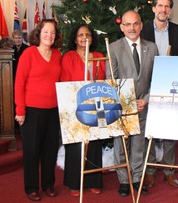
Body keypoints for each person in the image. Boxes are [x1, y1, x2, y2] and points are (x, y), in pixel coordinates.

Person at [107, 10, 158, 197]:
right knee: (121, 144)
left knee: (139, 145)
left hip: (144, 103)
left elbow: (156, 78)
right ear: (121, 27)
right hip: (122, 106)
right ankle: (123, 180)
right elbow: (110, 80)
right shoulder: (113, 48)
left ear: (141, 25)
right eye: (127, 24)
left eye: (135, 24)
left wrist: (146, 99)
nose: (132, 28)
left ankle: (137, 179)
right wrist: (128, 102)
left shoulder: (152, 48)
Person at [140, 0, 178, 188]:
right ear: (153, 8)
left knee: (169, 129)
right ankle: (149, 170)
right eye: (160, 6)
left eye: (167, 6)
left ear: (170, 10)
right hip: (148, 85)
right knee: (149, 129)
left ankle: (168, 169)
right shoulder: (143, 30)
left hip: (170, 85)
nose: (163, 10)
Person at [14, 19, 62, 201]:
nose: (49, 35)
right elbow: (19, 83)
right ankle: (31, 187)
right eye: (46, 32)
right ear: (39, 34)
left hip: (53, 111)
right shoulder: (29, 54)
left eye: (52, 32)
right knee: (32, 151)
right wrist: (20, 110)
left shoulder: (58, 54)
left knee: (50, 150)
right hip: (32, 111)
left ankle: (48, 184)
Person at [60, 24, 106, 197]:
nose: (84, 37)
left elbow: (104, 80)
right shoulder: (68, 56)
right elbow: (65, 81)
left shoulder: (100, 56)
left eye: (88, 34)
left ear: (92, 38)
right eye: (80, 35)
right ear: (75, 38)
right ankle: (74, 182)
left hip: (98, 105)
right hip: (75, 104)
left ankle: (93, 181)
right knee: (75, 144)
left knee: (94, 143)